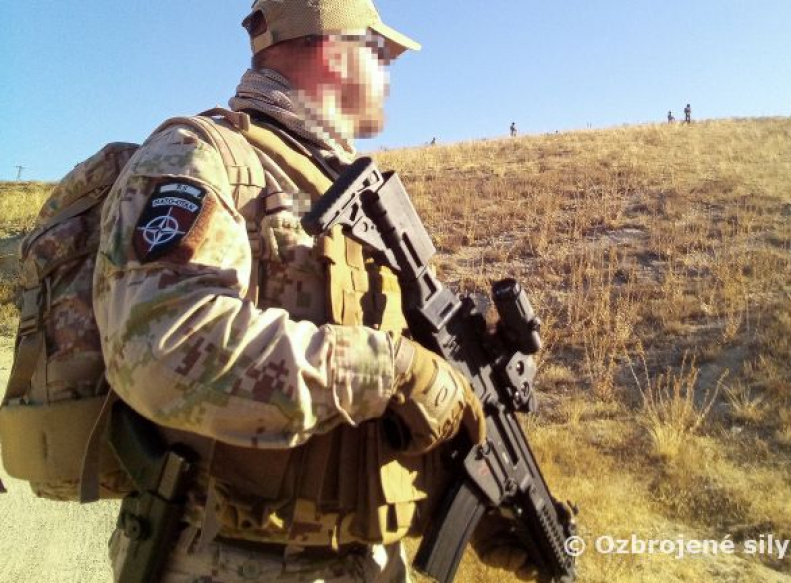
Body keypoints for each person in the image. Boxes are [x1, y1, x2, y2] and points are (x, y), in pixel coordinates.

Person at [91, 1, 526, 581]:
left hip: (368, 561)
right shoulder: (202, 156)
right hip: (227, 561)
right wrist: (391, 370)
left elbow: (379, 425)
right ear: (337, 53)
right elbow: (160, 349)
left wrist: (480, 491)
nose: (389, 75)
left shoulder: (351, 195)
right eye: (382, 56)